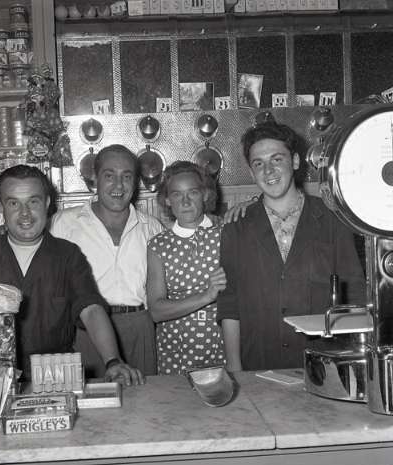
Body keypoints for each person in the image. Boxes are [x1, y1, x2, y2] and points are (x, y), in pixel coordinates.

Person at [0, 164, 144, 386]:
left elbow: (90, 309)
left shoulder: (67, 254)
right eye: (14, 203)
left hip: (55, 376)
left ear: (47, 203)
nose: (25, 213)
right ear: (1, 206)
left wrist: (113, 361)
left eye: (33, 202)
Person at [217, 121, 366, 372]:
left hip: (323, 363)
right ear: (251, 172)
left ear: (295, 161)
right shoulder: (236, 227)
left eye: (277, 159)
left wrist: (352, 361)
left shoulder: (332, 219)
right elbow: (230, 303)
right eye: (258, 164)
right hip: (259, 364)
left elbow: (354, 294)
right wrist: (234, 365)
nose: (268, 170)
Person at [50, 145, 164, 377]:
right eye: (109, 176)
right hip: (84, 330)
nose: (118, 186)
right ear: (95, 177)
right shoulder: (62, 223)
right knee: (87, 398)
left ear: (136, 181)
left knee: (145, 397)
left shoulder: (152, 228)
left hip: (140, 327)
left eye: (127, 177)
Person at [147, 161, 227, 375]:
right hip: (177, 354)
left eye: (193, 192)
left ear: (205, 195)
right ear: (167, 200)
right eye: (176, 194)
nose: (185, 201)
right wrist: (207, 296)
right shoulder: (158, 245)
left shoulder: (227, 233)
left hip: (223, 348)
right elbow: (156, 311)